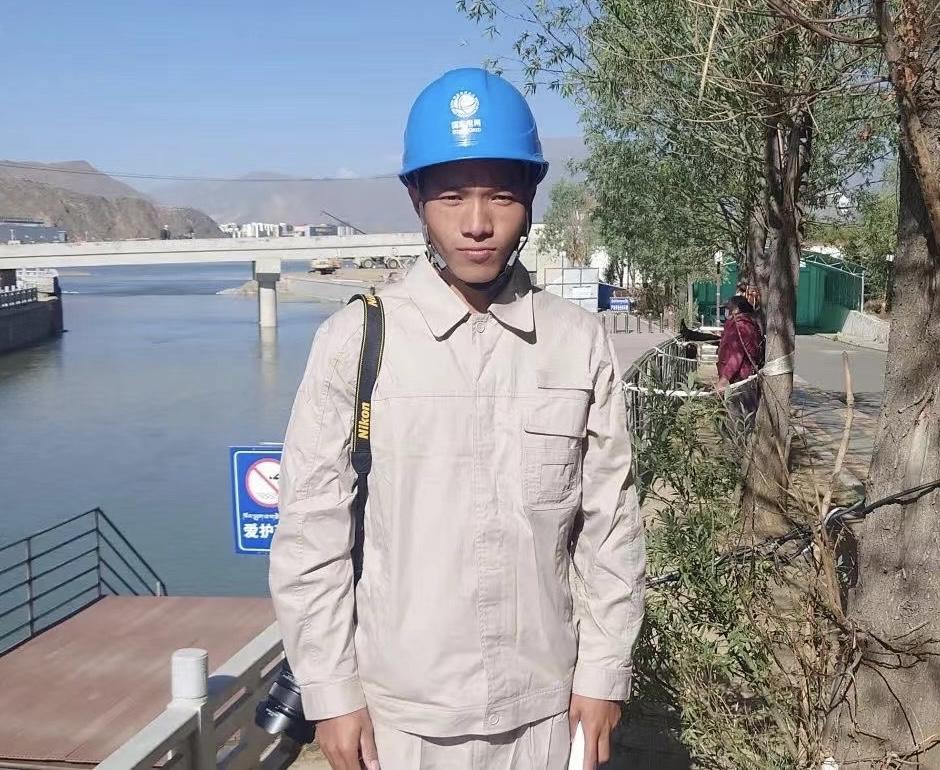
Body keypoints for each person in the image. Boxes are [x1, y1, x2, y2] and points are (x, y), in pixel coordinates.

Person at [269, 67, 646, 770]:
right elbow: (311, 532)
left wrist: (603, 672)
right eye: (451, 197)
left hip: (545, 711)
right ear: (417, 199)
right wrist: (330, 690)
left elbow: (610, 526)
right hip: (398, 720)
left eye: (501, 195)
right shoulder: (356, 343)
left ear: (529, 197)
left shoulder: (576, 342)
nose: (477, 223)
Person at [716, 295, 763, 393]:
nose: (727, 311)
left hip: (738, 378)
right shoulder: (745, 324)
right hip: (741, 376)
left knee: (738, 402)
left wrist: (724, 379)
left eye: (728, 308)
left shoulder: (740, 326)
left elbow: (736, 355)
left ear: (736, 309)